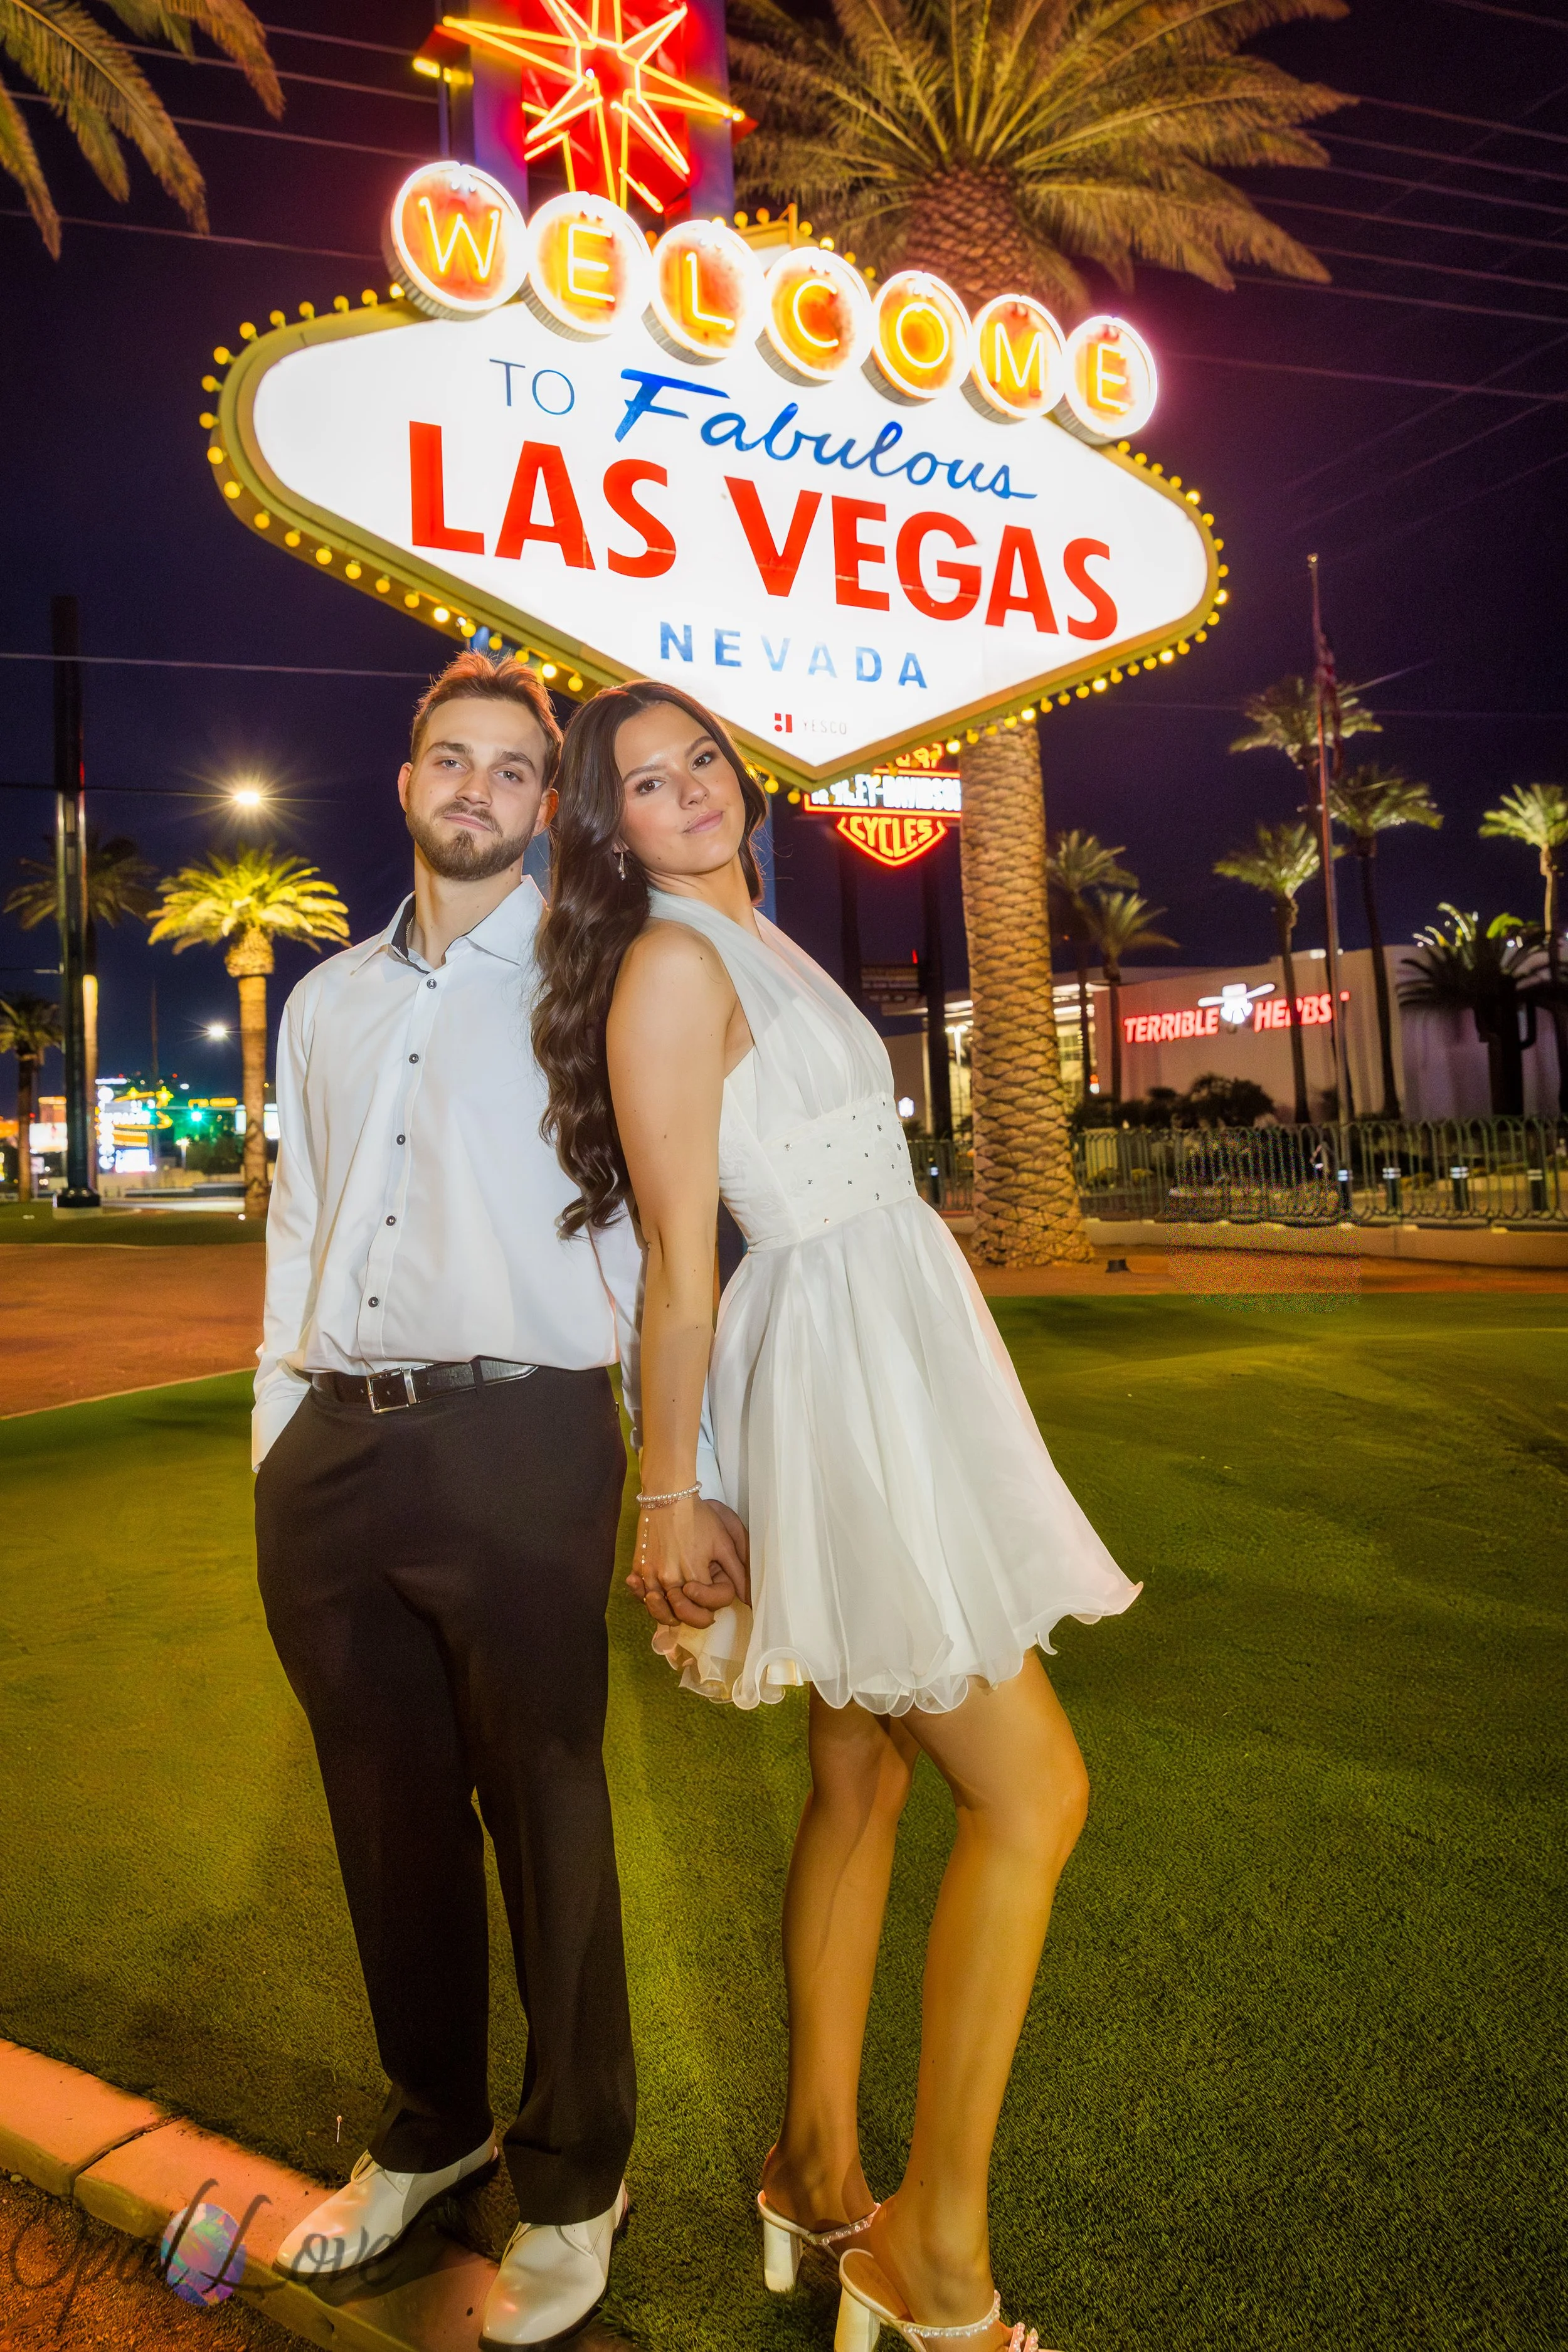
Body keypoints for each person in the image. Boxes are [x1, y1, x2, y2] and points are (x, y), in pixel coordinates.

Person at [531, 682, 1142, 2352]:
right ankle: (927, 2252)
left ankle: (815, 2167)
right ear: (609, 829)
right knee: (1036, 1793)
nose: (689, 794)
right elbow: (676, 1263)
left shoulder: (758, 935)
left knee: (861, 1770)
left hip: (888, 1341)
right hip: (829, 1369)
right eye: (644, 785)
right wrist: (673, 1488)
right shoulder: (664, 964)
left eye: (700, 764)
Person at [254, 653, 729, 2345]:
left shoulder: (599, 983)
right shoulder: (326, 1002)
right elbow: (297, 1231)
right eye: (448, 760)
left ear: (544, 802)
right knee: (383, 1815)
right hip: (331, 1455)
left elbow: (674, 1241)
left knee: (547, 1810)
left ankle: (575, 2174)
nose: (475, 789)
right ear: (403, 783)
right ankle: (431, 2123)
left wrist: (690, 1474)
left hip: (523, 1439)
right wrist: (271, 1435)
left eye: (511, 770)